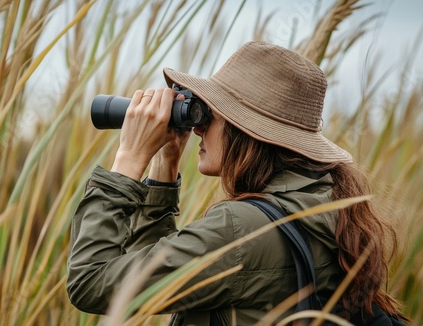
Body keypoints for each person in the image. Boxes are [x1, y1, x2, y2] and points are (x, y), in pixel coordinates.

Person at [66, 41, 407, 325]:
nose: (198, 127)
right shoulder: (324, 202)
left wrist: (128, 158)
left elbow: (91, 282)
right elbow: (153, 277)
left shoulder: (241, 230)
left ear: (247, 130)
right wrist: (164, 165)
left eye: (209, 113)